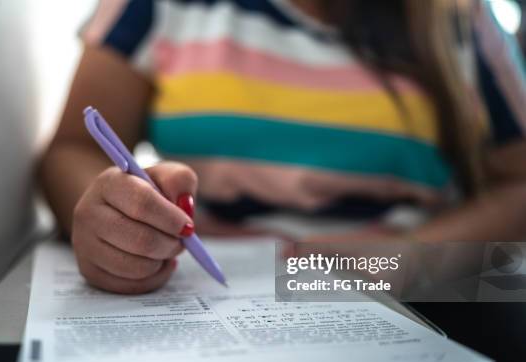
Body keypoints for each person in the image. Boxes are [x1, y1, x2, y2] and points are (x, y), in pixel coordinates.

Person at [39, 0, 526, 294]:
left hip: (417, 294)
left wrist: (412, 258)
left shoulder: (459, 17)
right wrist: (112, 223)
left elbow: (518, 185)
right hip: (202, 298)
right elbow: (73, 150)